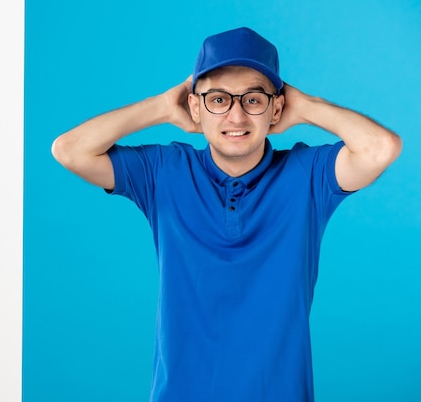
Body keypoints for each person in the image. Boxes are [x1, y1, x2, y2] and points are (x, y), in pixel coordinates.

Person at [51, 26, 402, 402]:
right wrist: (161, 106)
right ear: (195, 106)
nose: (236, 117)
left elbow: (381, 148)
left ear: (276, 108)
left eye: (253, 100)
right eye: (218, 99)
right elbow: (70, 150)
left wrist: (308, 106)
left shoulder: (307, 175)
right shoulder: (164, 171)